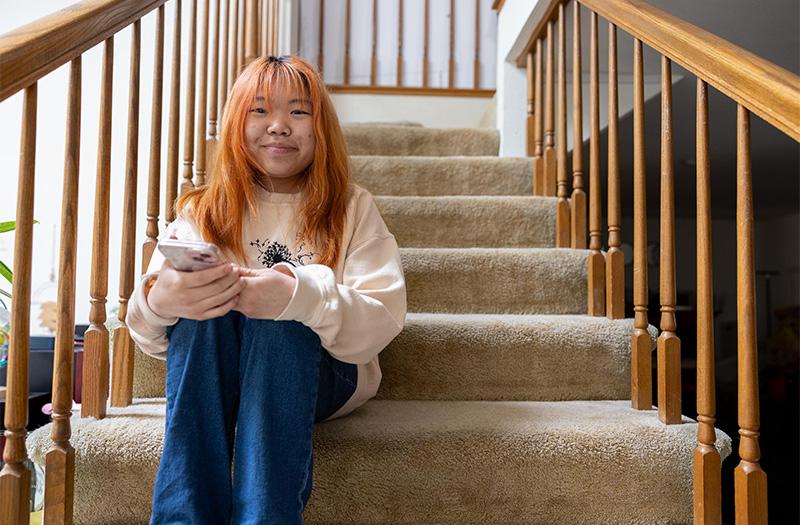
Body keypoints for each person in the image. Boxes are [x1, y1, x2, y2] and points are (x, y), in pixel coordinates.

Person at [126, 55, 407, 524]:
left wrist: (299, 296)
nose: (278, 126)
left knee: (282, 320)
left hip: (320, 376)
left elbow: (381, 320)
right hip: (220, 375)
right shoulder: (205, 210)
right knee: (203, 313)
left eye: (298, 112)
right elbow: (148, 334)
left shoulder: (353, 207)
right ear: (237, 124)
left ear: (322, 130)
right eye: (260, 111)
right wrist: (162, 300)